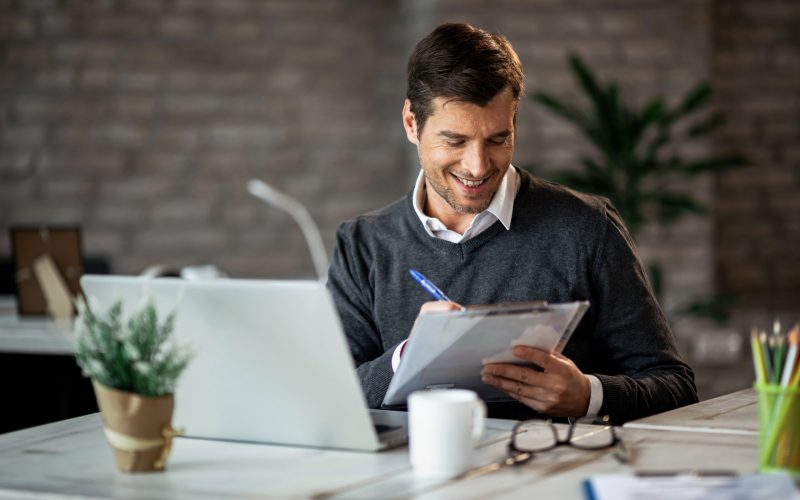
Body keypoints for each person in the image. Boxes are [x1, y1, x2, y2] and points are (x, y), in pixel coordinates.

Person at [327, 22, 698, 424]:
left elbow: (675, 386)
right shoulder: (362, 244)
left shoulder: (587, 228)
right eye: (455, 141)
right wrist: (407, 357)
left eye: (497, 139)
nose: (478, 166)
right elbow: (328, 393)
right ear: (411, 123)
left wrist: (588, 396)